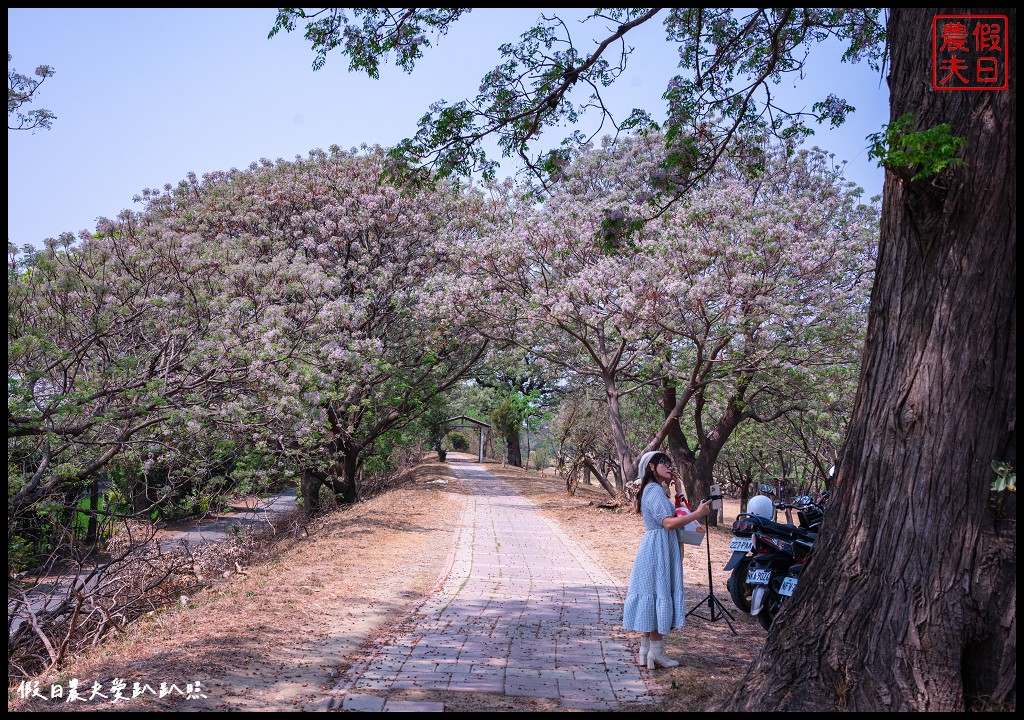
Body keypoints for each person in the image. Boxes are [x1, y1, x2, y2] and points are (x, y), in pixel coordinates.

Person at [622, 450, 712, 669]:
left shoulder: (654, 490)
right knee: (657, 594)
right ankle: (657, 652)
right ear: (651, 467)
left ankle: (646, 651)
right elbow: (669, 523)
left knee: (652, 596)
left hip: (657, 547)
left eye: (670, 462)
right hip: (658, 549)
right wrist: (698, 514)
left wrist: (679, 491)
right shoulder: (653, 490)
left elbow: (678, 513)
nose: (669, 466)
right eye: (663, 462)